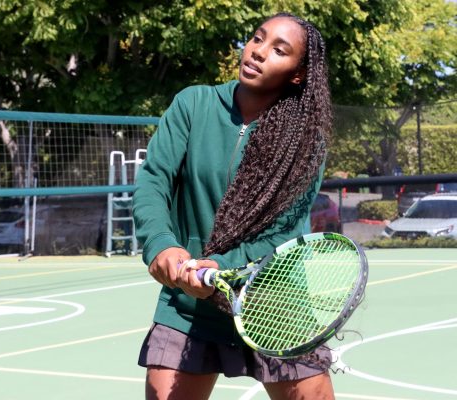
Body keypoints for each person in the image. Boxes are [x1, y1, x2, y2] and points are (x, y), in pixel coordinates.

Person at [132, 12, 334, 400]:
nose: (258, 52)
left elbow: (282, 231)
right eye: (257, 39)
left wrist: (220, 267)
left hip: (274, 306)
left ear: (297, 74)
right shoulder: (193, 104)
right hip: (189, 304)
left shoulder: (307, 141)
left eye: (279, 50)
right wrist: (161, 244)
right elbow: (153, 180)